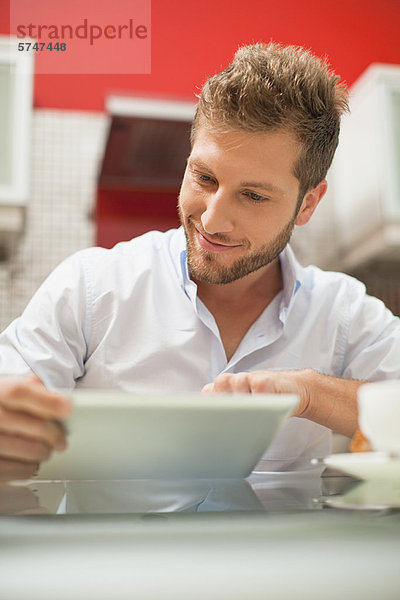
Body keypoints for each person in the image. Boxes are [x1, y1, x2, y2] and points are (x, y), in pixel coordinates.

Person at [0, 42, 399, 479]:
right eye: (203, 177)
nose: (211, 219)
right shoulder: (91, 288)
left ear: (308, 203)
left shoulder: (344, 315)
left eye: (253, 196)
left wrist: (309, 394)